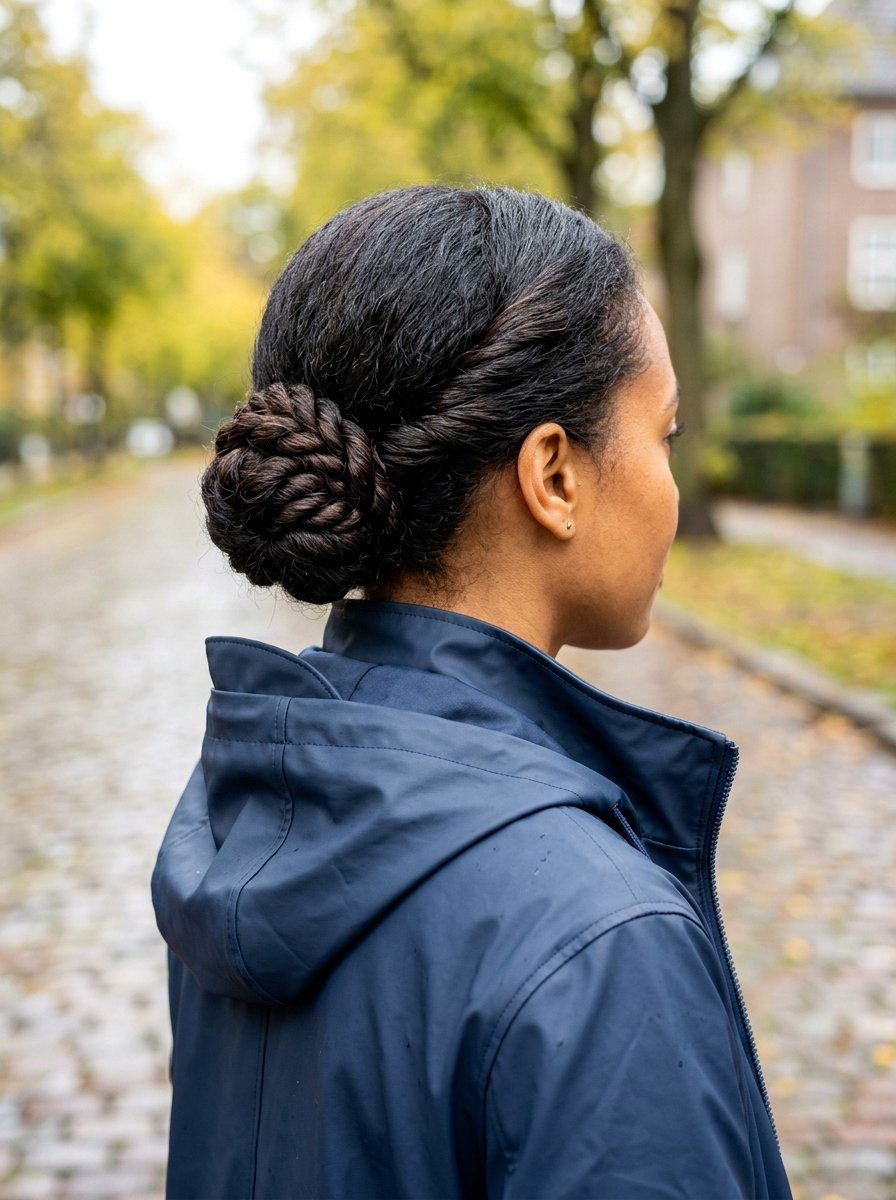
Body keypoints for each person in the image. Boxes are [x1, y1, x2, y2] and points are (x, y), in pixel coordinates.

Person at [151, 183, 792, 1199]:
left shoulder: (241, 831)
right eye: (664, 435)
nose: (672, 481)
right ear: (554, 477)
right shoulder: (599, 936)